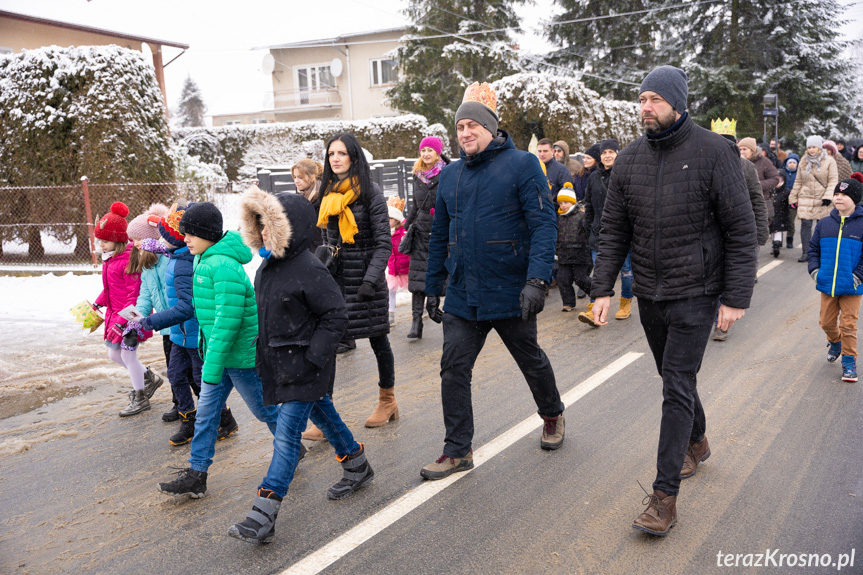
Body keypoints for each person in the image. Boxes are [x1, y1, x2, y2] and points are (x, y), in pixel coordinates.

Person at [591, 66, 757, 536]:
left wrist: (735, 295)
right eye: (641, 99)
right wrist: (603, 288)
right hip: (650, 291)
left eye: (655, 100)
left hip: (697, 293)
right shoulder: (627, 159)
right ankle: (698, 442)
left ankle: (664, 499)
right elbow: (614, 229)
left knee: (675, 385)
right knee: (673, 377)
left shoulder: (713, 152)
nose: (646, 107)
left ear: (677, 102)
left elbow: (740, 229)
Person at [421, 81, 565, 481]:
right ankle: (457, 450)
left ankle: (552, 414)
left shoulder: (522, 164)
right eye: (459, 126)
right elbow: (439, 235)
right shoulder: (449, 176)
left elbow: (543, 224)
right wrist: (433, 287)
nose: (465, 133)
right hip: (465, 294)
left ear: (490, 127)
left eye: (472, 125)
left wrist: (537, 279)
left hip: (511, 289)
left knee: (529, 359)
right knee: (453, 368)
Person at [227, 187, 373, 545]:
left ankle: (264, 512)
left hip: (306, 364)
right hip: (283, 364)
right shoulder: (267, 268)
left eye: (268, 226)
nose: (261, 232)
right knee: (323, 414)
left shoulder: (308, 267)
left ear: (286, 228)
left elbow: (335, 315)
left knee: (287, 436)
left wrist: (313, 358)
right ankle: (357, 465)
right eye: (257, 225)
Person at [156, 202, 280, 499]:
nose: (184, 238)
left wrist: (211, 364)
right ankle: (197, 474)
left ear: (208, 234)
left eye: (190, 234)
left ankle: (291, 446)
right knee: (207, 414)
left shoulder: (222, 265)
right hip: (217, 353)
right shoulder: (204, 257)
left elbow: (227, 321)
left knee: (263, 411)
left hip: (237, 356)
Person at [137, 204, 239, 445]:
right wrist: (155, 247)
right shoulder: (175, 255)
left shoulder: (184, 264)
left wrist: (147, 323)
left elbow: (186, 307)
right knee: (175, 375)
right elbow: (166, 250)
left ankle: (224, 419)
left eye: (164, 235)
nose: (160, 240)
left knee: (199, 379)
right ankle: (188, 420)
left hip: (194, 334)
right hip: (178, 335)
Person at [317, 133, 398, 428]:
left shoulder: (370, 193)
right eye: (331, 154)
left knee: (378, 340)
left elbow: (383, 243)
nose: (335, 159)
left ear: (353, 157)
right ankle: (326, 417)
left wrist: (370, 280)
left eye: (341, 153)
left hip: (366, 283)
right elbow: (326, 242)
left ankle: (387, 401)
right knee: (327, 347)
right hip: (336, 284)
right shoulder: (327, 195)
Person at [92, 202, 157, 417]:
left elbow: (134, 295)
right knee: (114, 355)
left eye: (105, 240)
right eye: (99, 240)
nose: (101, 244)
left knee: (128, 357)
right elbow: (110, 289)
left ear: (119, 240)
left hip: (130, 317)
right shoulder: (110, 260)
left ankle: (140, 397)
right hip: (115, 315)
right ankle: (149, 377)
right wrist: (99, 302)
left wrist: (125, 322)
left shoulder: (128, 261)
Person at [808, 174, 863, 383]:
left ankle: (849, 361)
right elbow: (813, 249)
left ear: (855, 199)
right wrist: (815, 271)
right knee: (826, 322)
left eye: (844, 195)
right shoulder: (824, 224)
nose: (839, 198)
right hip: (827, 284)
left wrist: (857, 277)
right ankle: (835, 342)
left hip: (852, 287)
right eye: (837, 194)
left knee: (849, 325)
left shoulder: (861, 225)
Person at [579, 138, 634, 325]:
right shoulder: (594, 178)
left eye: (611, 152)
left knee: (627, 271)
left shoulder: (625, 175)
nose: (607, 155)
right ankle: (593, 307)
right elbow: (589, 206)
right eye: (604, 153)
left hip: (622, 234)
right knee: (599, 272)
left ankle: (625, 301)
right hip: (598, 233)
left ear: (618, 154)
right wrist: (589, 229)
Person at [404, 136, 449, 339]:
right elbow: (414, 205)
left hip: (441, 229)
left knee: (437, 272)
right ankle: (416, 323)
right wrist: (406, 226)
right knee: (417, 277)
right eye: (423, 150)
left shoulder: (447, 173)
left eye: (430, 150)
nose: (426, 154)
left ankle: (435, 310)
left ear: (438, 152)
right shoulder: (417, 175)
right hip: (420, 231)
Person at [126, 204, 170, 408]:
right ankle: (181, 406)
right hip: (166, 327)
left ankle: (219, 413)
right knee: (174, 372)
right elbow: (145, 296)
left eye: (138, 239)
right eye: (132, 240)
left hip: (183, 322)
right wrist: (134, 321)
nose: (134, 244)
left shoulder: (169, 259)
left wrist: (165, 250)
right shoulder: (148, 262)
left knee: (191, 373)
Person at [789, 136, 838, 262]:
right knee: (805, 225)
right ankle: (806, 252)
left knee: (821, 226)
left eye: (814, 147)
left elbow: (833, 180)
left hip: (822, 198)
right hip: (806, 197)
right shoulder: (803, 161)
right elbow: (798, 181)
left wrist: (828, 196)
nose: (811, 150)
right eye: (809, 147)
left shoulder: (829, 161)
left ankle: (821, 252)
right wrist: (793, 197)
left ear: (819, 147)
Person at [555, 184, 591, 312]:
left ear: (572, 202)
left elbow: (588, 233)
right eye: (561, 203)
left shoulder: (581, 216)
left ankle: (596, 294)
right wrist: (556, 250)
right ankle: (568, 302)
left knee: (581, 279)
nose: (563, 205)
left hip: (580, 254)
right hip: (564, 254)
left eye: (566, 202)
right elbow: (557, 235)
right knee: (563, 279)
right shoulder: (559, 218)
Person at [292, 158, 324, 252]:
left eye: (300, 177)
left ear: (313, 176)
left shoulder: (322, 197)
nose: (296, 181)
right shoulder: (299, 197)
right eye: (294, 177)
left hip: (320, 251)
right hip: (305, 251)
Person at [386, 205, 409, 326]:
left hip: (406, 266)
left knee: (414, 288)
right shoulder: (386, 233)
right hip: (393, 267)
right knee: (391, 290)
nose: (387, 221)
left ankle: (425, 305)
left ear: (396, 220)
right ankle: (391, 314)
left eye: (390, 219)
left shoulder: (404, 231)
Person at [784, 154, 801, 249]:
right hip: (782, 201)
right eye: (790, 162)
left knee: (791, 221)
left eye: (794, 163)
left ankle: (789, 239)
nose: (791, 164)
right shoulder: (782, 173)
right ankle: (777, 241)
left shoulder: (799, 174)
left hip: (793, 202)